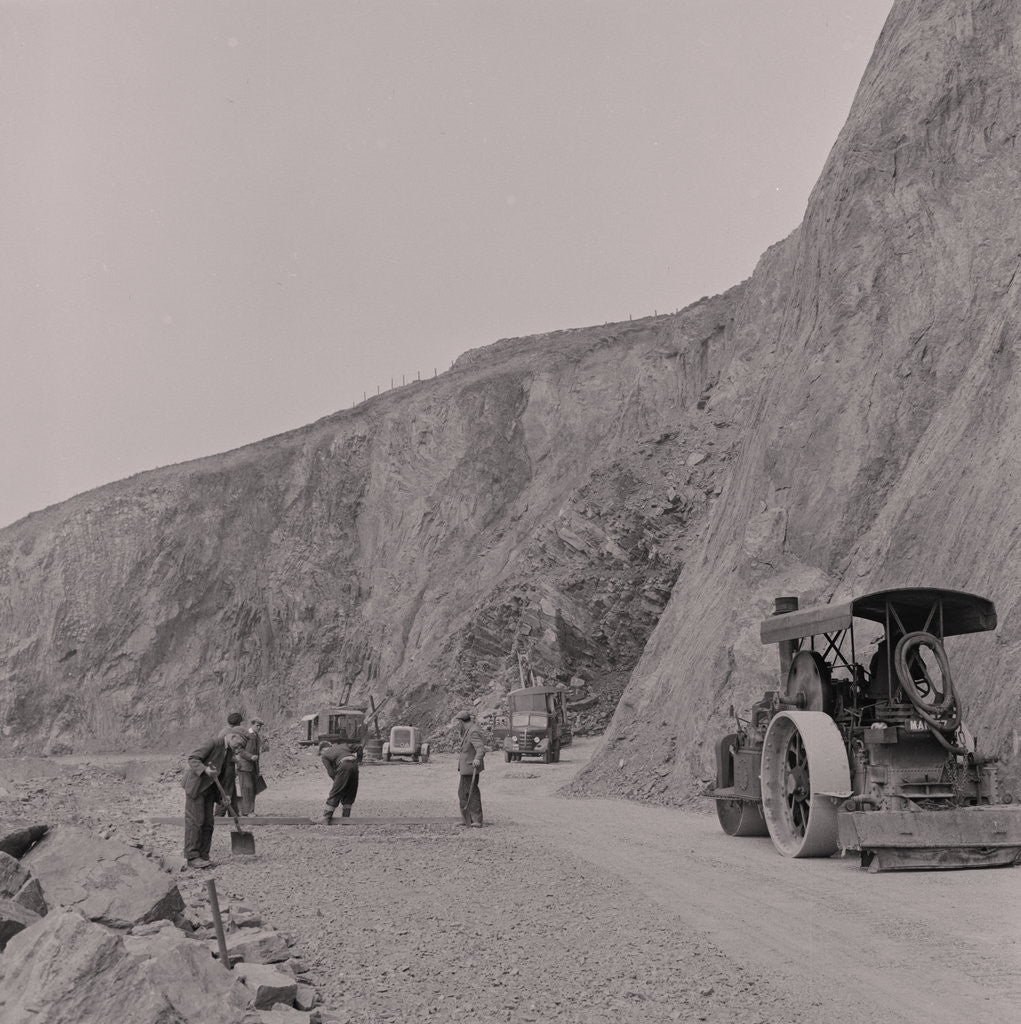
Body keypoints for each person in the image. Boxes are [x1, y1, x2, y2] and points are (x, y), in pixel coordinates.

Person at [182, 731, 248, 868]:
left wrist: (224, 797)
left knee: (208, 823)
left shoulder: (229, 752)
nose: (239, 749)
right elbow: (193, 758)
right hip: (197, 787)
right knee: (195, 821)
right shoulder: (213, 742)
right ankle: (192, 857)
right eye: (239, 745)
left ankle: (204, 856)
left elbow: (225, 778)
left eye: (242, 747)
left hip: (210, 791)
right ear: (232, 736)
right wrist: (205, 769)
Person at [453, 710, 486, 828]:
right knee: (466, 793)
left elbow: (481, 749)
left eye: (459, 722)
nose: (458, 725)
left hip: (470, 768)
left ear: (461, 722)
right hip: (467, 768)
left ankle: (475, 820)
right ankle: (468, 819)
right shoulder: (469, 730)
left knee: (470, 793)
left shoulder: (473, 731)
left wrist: (477, 758)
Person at [319, 738, 360, 824]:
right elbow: (359, 747)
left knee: (335, 792)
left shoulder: (325, 755)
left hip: (343, 765)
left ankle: (326, 818)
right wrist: (359, 761)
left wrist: (338, 782)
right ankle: (346, 818)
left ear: (322, 750)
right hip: (354, 765)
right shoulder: (343, 746)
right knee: (351, 791)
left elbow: (330, 772)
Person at [214, 712, 245, 817]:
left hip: (229, 762)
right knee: (226, 788)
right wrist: (235, 761)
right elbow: (222, 750)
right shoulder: (228, 732)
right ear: (237, 723)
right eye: (240, 723)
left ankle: (234, 813)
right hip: (225, 763)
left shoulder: (225, 730)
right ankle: (219, 813)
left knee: (231, 788)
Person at [236, 717, 264, 816]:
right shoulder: (246, 735)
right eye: (257, 725)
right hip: (244, 767)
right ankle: (247, 811)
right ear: (252, 724)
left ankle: (247, 811)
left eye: (260, 726)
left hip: (252, 768)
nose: (259, 727)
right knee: (247, 789)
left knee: (252, 789)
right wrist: (250, 756)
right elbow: (239, 749)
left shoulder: (256, 736)